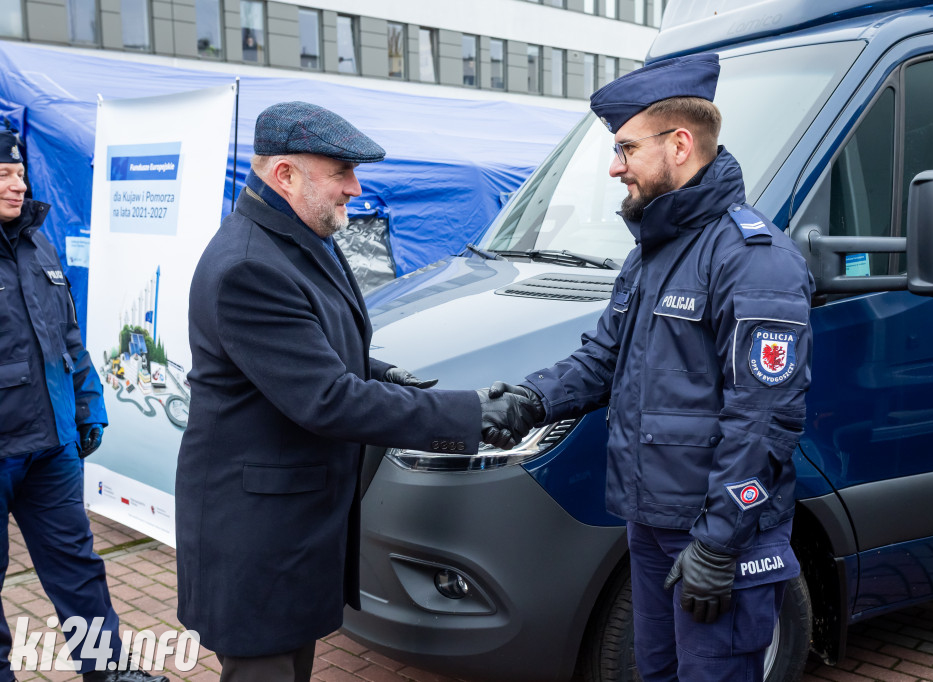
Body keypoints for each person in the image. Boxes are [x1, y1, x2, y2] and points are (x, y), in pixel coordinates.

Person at [174, 101, 535, 682]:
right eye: (340, 171)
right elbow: (326, 399)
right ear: (285, 174)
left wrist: (383, 375)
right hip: (257, 540)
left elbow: (313, 347)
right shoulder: (249, 266)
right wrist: (471, 413)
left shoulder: (296, 237)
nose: (355, 187)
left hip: (288, 530)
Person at [489, 54, 814, 681]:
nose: (615, 166)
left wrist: (720, 542)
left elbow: (765, 417)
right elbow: (605, 357)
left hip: (718, 535)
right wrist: (529, 400)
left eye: (625, 148)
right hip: (653, 524)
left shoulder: (753, 258)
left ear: (680, 144)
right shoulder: (652, 256)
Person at [0, 130, 167, 681]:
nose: (17, 184)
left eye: (20, 174)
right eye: (4, 174)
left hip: (50, 448)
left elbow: (68, 337)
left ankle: (108, 671)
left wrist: (88, 404)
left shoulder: (37, 243)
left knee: (77, 567)